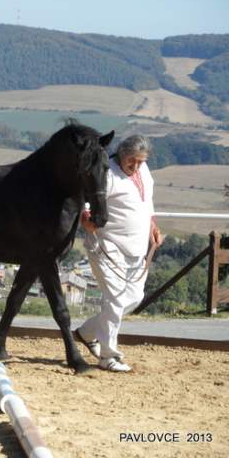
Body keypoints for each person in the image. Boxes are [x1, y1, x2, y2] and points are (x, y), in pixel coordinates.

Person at [75, 135, 163, 372]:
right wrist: (86, 218)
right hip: (107, 245)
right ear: (121, 154)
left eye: (140, 161)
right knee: (115, 300)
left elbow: (147, 203)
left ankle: (86, 333)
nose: (135, 166)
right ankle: (108, 356)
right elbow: (86, 202)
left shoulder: (144, 171)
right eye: (131, 160)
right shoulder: (107, 174)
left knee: (133, 298)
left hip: (137, 248)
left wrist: (153, 226)